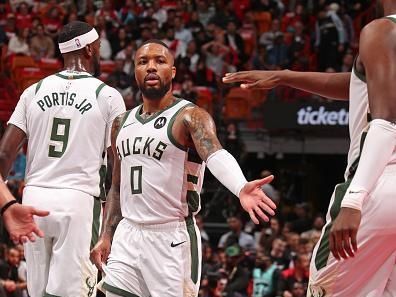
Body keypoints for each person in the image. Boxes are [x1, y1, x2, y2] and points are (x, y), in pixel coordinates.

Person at [223, 1, 396, 295]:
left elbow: (386, 122)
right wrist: (285, 76)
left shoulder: (382, 29)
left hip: (377, 185)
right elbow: (360, 83)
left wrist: (353, 202)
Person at [90, 39, 277, 297]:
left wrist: (240, 186)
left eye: (160, 61)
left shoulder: (189, 115)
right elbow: (116, 187)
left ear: (173, 71)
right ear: (134, 71)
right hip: (128, 235)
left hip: (171, 238)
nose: (151, 67)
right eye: (143, 62)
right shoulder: (120, 123)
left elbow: (215, 154)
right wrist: (106, 235)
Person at [0, 21, 126, 297]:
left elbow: (3, 154)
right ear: (90, 50)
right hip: (78, 201)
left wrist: (5, 204)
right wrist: (112, 227)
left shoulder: (32, 91)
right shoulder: (107, 96)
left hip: (33, 199)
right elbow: (117, 170)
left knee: (37, 292)